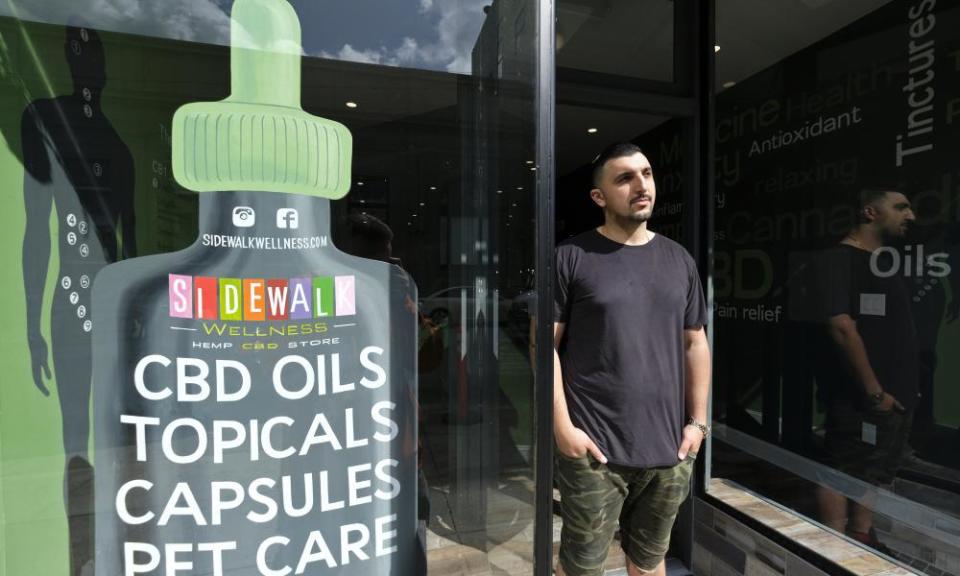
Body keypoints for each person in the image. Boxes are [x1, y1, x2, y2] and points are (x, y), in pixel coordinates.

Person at [553, 142, 711, 576]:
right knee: (581, 567)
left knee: (648, 560)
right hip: (595, 451)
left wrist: (698, 424)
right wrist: (563, 428)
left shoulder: (678, 259)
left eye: (646, 173)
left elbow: (695, 341)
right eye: (624, 178)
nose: (641, 185)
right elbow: (541, 344)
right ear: (599, 197)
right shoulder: (571, 257)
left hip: (669, 451)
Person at [21, 24, 136, 576]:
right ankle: (81, 556)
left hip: (107, 313)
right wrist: (29, 323)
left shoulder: (118, 146)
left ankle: (108, 550)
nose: (89, 61)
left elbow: (131, 251)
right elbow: (36, 230)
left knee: (114, 441)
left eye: (95, 50)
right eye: (78, 48)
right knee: (77, 442)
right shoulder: (44, 119)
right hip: (73, 307)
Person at [812, 188, 919, 550]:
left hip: (894, 397)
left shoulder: (885, 260)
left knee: (874, 469)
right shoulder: (837, 259)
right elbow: (841, 327)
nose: (911, 215)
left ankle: (862, 535)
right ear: (870, 212)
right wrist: (875, 392)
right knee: (840, 467)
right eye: (901, 207)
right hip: (862, 396)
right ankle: (835, 549)